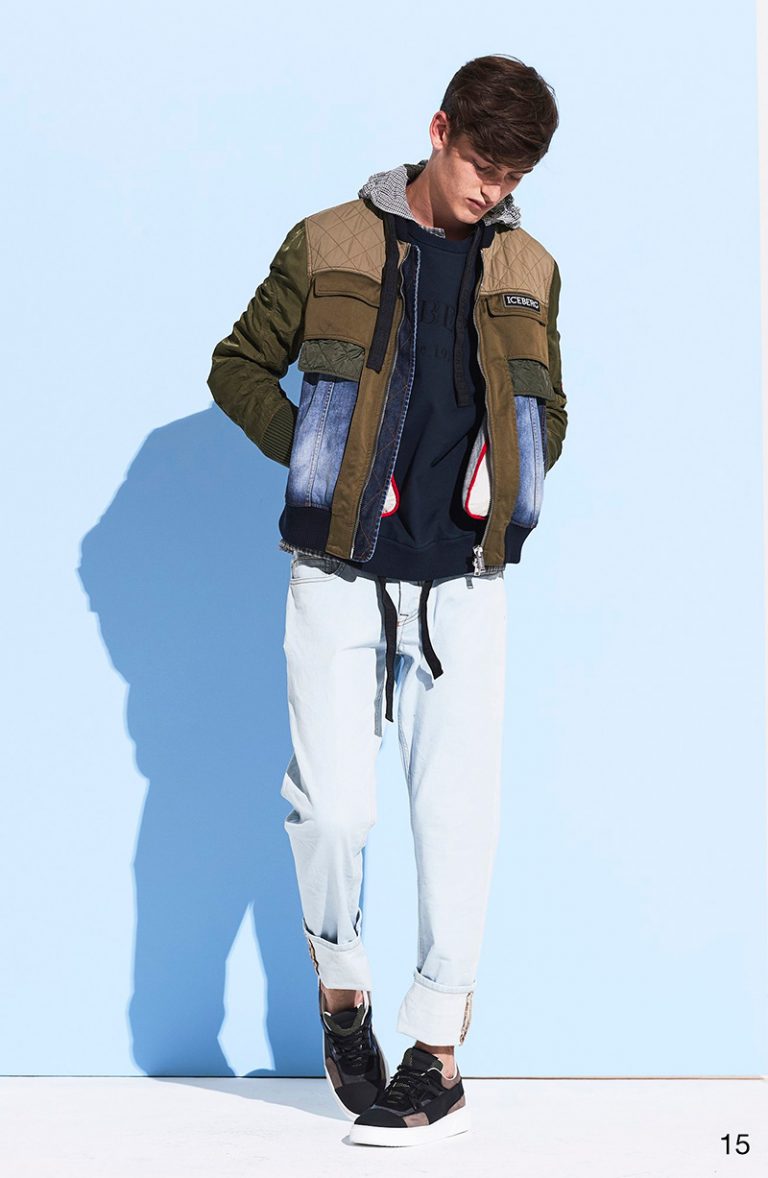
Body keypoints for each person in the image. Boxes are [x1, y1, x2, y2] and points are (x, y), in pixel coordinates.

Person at [207, 52, 567, 1147]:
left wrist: (512, 476)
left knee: (457, 819)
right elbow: (236, 366)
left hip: (465, 579)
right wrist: (319, 463)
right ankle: (342, 988)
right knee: (332, 811)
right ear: (439, 130)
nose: (492, 190)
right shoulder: (329, 240)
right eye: (482, 164)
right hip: (339, 568)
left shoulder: (532, 266)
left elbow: (552, 406)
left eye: (514, 177)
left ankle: (438, 1054)